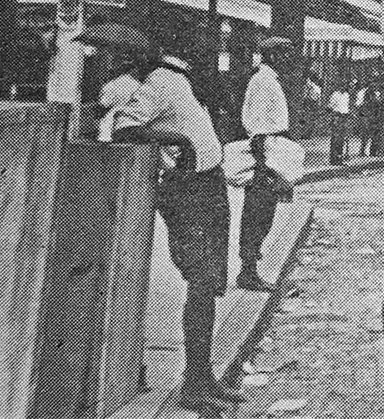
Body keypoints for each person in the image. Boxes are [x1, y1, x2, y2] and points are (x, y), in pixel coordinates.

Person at [80, 24, 242, 414]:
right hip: (189, 189)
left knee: (211, 281)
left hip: (208, 183)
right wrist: (177, 142)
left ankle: (203, 376)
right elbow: (123, 129)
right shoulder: (161, 83)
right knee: (201, 281)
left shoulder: (177, 83)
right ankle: (194, 383)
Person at [237, 37, 294, 292]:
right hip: (265, 156)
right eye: (285, 54)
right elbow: (259, 128)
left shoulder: (269, 81)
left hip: (270, 153)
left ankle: (251, 268)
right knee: (257, 216)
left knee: (265, 215)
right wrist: (264, 168)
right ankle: (247, 272)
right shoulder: (262, 82)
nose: (289, 59)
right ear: (273, 56)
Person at [326, 80, 352, 166]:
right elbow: (330, 106)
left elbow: (347, 107)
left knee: (342, 138)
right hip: (337, 116)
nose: (343, 87)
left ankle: (339, 158)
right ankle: (333, 159)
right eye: (342, 85)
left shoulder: (347, 95)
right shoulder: (335, 94)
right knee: (335, 138)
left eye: (345, 85)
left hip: (344, 117)